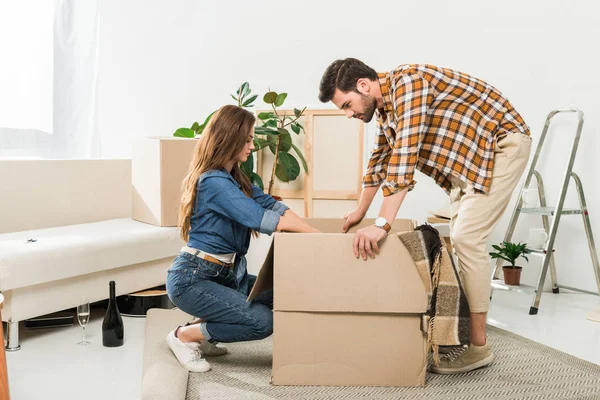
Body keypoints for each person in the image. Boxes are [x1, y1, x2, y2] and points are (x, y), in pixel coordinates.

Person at [318, 58, 531, 374]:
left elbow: (404, 156)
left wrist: (382, 223)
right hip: (468, 165)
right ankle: (466, 333)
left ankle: (478, 346)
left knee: (466, 237)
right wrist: (360, 211)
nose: (349, 114)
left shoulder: (410, 84)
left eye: (347, 105)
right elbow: (380, 160)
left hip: (501, 147)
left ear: (363, 85)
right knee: (461, 241)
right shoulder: (386, 112)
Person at [165, 104, 319, 372]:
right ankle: (184, 336)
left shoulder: (237, 180)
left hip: (228, 275)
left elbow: (275, 207)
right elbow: (260, 218)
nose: (251, 145)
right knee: (263, 322)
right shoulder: (213, 182)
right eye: (247, 139)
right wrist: (320, 237)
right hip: (193, 278)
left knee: (285, 294)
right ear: (230, 138)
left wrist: (313, 232)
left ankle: (204, 330)